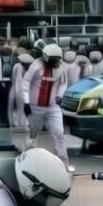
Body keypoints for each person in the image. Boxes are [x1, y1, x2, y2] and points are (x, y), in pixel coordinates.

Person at [23, 43, 75, 173]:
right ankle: (25, 162)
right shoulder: (35, 66)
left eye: (58, 59)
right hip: (35, 106)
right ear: (46, 57)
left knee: (59, 134)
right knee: (32, 134)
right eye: (54, 59)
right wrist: (26, 102)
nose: (56, 62)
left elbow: (63, 84)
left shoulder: (61, 69)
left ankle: (64, 165)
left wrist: (59, 96)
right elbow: (26, 82)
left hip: (53, 107)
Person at [7, 52, 35, 153]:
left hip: (28, 97)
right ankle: (19, 146)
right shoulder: (16, 67)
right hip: (17, 95)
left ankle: (28, 146)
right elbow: (14, 81)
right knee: (17, 119)